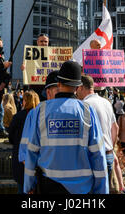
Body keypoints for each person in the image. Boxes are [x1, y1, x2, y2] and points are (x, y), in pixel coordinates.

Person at [23, 60, 108, 194]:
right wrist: (102, 191)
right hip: (82, 188)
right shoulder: (87, 111)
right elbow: (98, 154)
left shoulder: (41, 111)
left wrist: (28, 186)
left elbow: (31, 152)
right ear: (78, 86)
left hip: (49, 187)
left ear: (59, 83)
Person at [77, 75, 125, 194]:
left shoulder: (83, 105)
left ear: (80, 87)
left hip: (91, 157)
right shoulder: (106, 102)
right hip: (108, 153)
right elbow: (115, 127)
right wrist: (111, 146)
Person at [8, 90, 40, 194]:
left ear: (25, 101)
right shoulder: (40, 116)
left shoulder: (18, 116)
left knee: (22, 188)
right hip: (37, 157)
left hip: (20, 157)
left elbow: (11, 136)